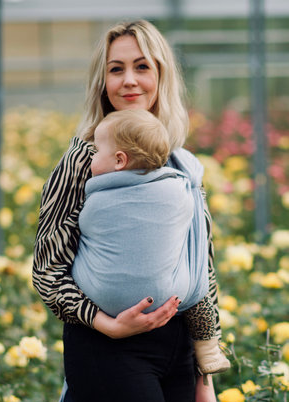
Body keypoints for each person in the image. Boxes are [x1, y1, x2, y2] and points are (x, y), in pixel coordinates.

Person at [33, 19, 224, 402]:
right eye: (116, 69)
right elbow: (48, 269)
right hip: (108, 348)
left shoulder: (181, 162)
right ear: (103, 80)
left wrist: (204, 374)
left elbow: (200, 268)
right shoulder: (84, 159)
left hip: (176, 352)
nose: (130, 80)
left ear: (161, 76)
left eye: (142, 66)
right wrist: (107, 324)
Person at [72, 108, 230, 374]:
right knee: (198, 280)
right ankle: (209, 348)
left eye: (96, 152)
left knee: (82, 254)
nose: (91, 159)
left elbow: (85, 227)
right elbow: (192, 245)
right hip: (174, 298)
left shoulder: (97, 201)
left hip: (104, 300)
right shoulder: (181, 188)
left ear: (120, 161)